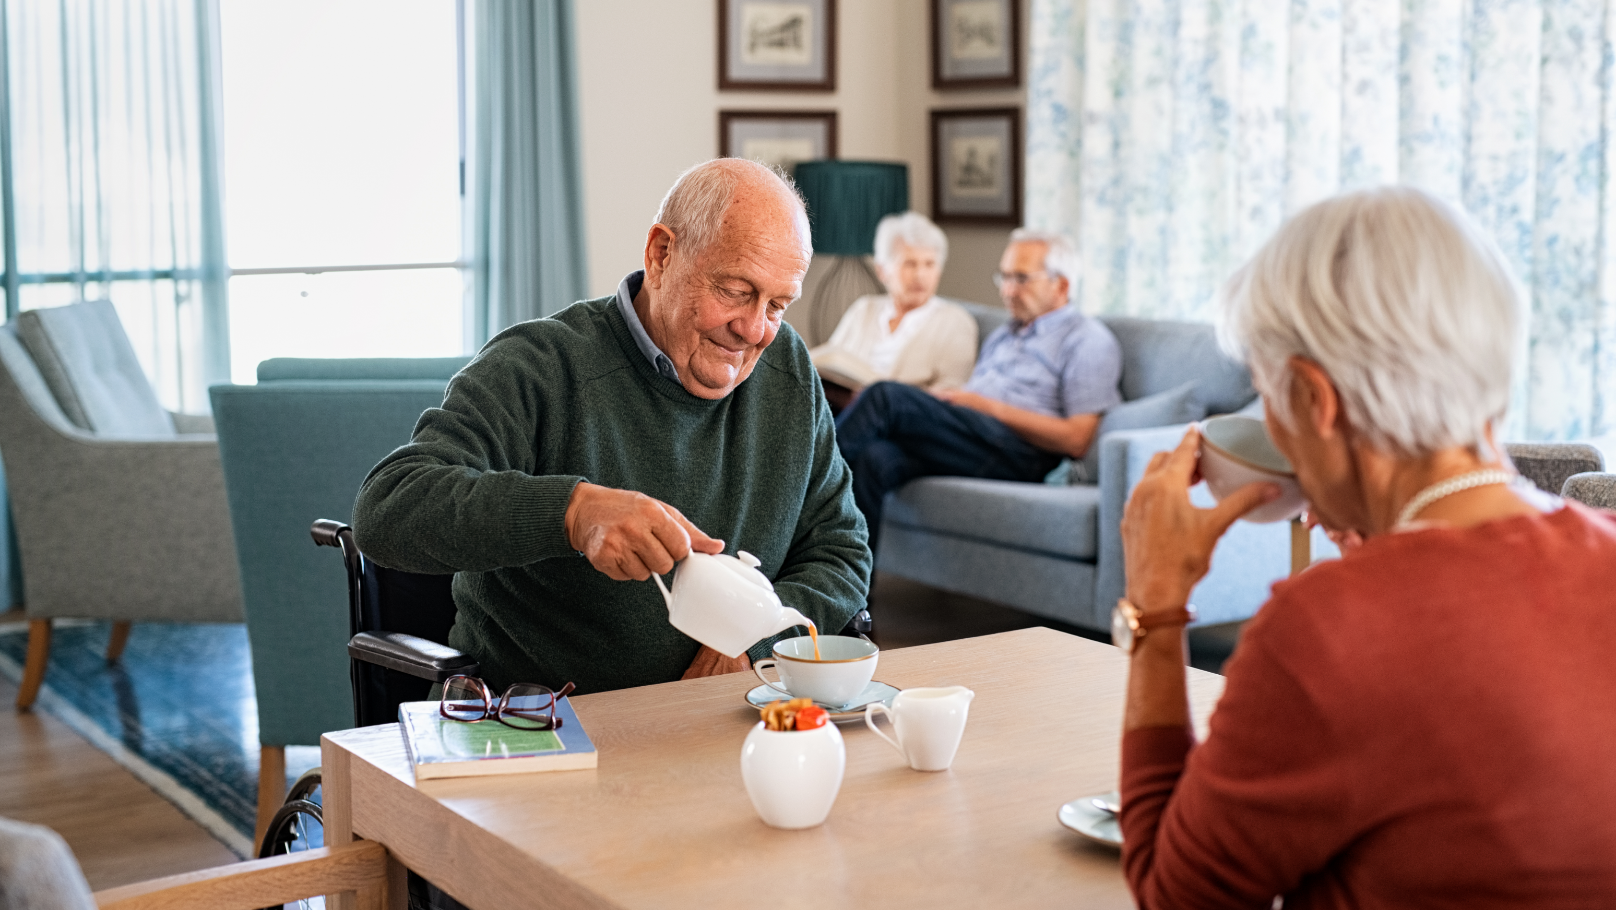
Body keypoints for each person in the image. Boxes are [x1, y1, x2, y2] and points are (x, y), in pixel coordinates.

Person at [1116, 187, 1616, 907]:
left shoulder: (1328, 628)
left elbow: (1178, 896)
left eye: (1266, 397)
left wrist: (1156, 608)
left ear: (1315, 400)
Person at [351, 159, 871, 697]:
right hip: (540, 726)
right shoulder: (539, 366)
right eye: (736, 291)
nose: (754, 329)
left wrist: (754, 644)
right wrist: (573, 513)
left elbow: (841, 551)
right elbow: (387, 508)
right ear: (662, 254)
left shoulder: (787, 370)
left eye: (778, 305)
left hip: (722, 722)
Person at [834, 229, 1122, 550]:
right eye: (1005, 277)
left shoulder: (1086, 339)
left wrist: (984, 406)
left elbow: (1077, 439)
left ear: (1062, 285)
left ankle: (797, 490)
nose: (1009, 290)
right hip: (973, 438)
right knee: (874, 459)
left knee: (884, 395)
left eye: (1022, 278)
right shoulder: (1005, 334)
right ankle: (853, 598)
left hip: (1019, 454)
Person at [809, 212, 978, 412]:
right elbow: (830, 361)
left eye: (929, 264)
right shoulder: (864, 309)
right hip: (837, 406)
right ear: (882, 271)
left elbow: (950, 398)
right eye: (909, 264)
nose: (920, 275)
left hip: (901, 421)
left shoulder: (956, 322)